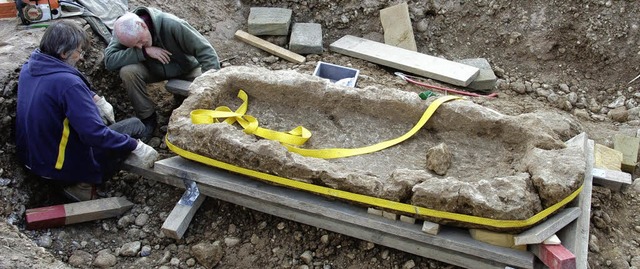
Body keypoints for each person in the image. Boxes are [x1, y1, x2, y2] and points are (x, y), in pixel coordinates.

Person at [15, 20, 159, 202]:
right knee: (136, 126)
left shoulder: (29, 68)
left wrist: (93, 97)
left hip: (34, 161)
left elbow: (55, 89)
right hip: (60, 169)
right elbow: (94, 135)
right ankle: (82, 184)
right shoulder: (69, 84)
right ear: (63, 52)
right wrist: (135, 146)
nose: (81, 57)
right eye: (78, 51)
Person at [104, 7, 221, 138]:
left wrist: (210, 87)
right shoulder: (124, 31)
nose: (138, 46)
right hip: (153, 69)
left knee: (209, 84)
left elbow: (206, 52)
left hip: (187, 68)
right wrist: (144, 51)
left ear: (143, 25)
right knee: (128, 72)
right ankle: (148, 118)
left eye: (139, 42)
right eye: (134, 46)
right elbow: (109, 61)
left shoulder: (171, 24)